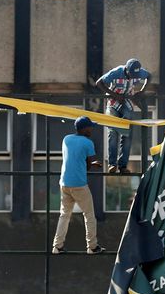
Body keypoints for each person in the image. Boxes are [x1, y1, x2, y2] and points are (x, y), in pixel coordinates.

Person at [52, 116, 105, 255]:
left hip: (64, 182)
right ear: (84, 128)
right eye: (90, 127)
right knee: (89, 215)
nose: (92, 129)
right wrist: (94, 164)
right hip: (79, 184)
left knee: (64, 215)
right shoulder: (88, 142)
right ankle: (92, 246)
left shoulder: (66, 139)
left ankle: (57, 246)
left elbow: (75, 158)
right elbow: (87, 165)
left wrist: (87, 163)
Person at [96, 58, 151, 174]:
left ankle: (122, 166)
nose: (132, 77)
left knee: (126, 135)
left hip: (127, 102)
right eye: (131, 74)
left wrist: (142, 91)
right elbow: (99, 83)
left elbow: (149, 76)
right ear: (126, 70)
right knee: (113, 133)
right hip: (113, 103)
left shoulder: (139, 72)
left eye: (135, 75)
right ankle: (112, 164)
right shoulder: (116, 72)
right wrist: (114, 95)